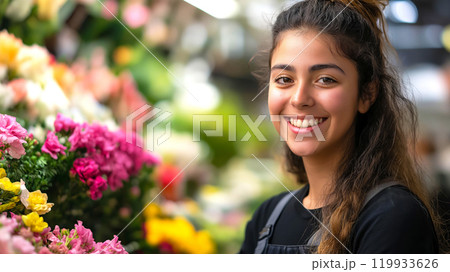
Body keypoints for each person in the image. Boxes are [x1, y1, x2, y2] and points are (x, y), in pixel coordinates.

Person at [240, 0, 442, 254]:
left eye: (325, 79)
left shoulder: (393, 216)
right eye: (284, 79)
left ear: (367, 94)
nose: (299, 98)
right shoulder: (267, 216)